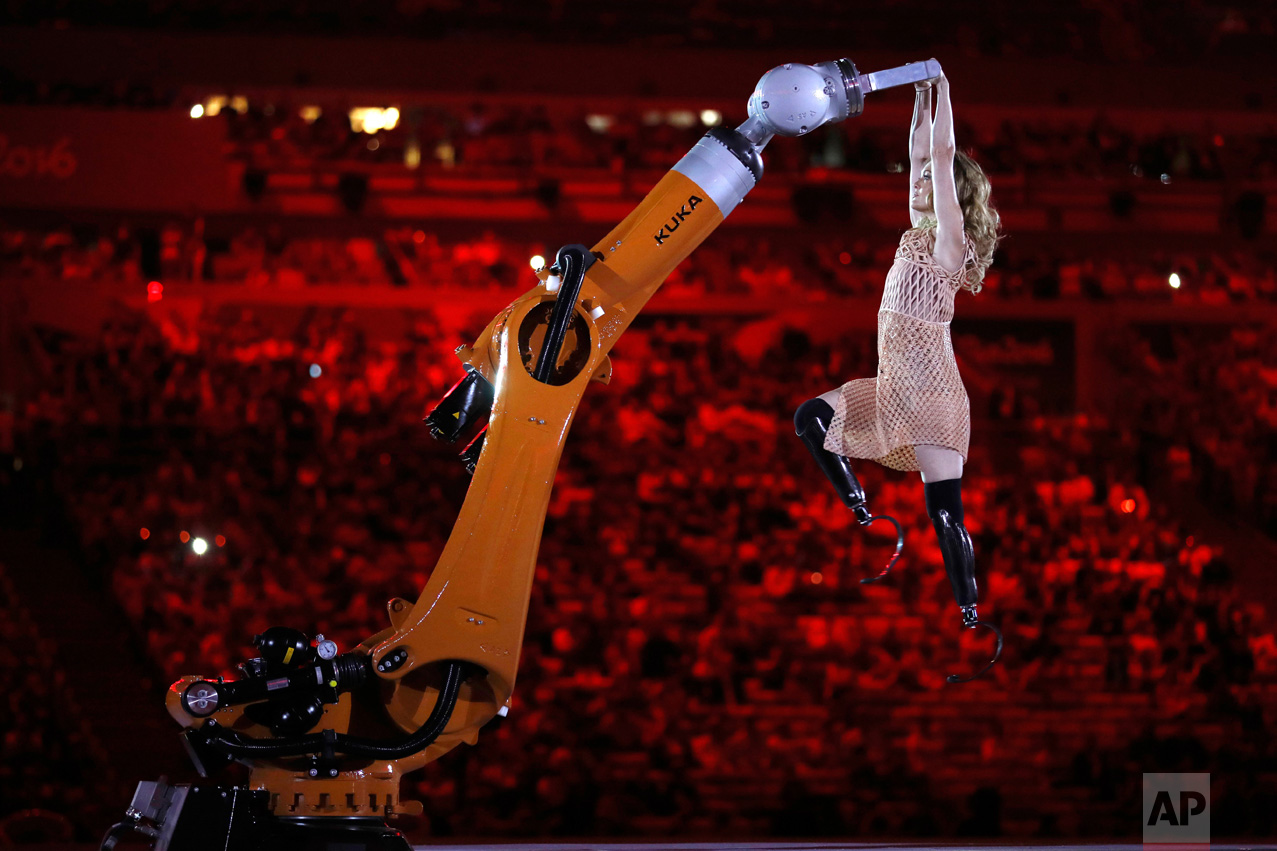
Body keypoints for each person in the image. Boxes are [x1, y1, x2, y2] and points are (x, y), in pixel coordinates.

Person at [794, 66, 1003, 681]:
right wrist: (919, 93)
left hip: (934, 393)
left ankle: (968, 609)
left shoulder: (949, 245)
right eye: (913, 182)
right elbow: (922, 151)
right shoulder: (916, 231)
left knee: (945, 514)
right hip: (890, 390)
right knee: (811, 418)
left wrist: (943, 86)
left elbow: (939, 154)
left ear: (951, 197)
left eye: (930, 185)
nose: (916, 186)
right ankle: (860, 510)